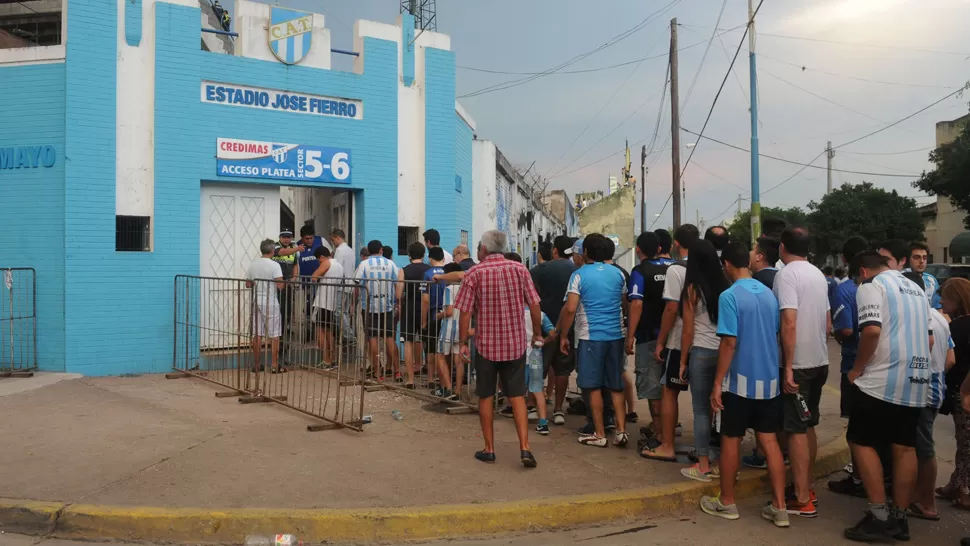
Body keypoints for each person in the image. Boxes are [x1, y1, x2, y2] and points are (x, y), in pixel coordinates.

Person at [843, 251, 932, 542]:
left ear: (863, 271)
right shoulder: (916, 288)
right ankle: (899, 518)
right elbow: (929, 337)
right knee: (905, 447)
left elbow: (870, 331)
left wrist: (857, 369)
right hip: (916, 380)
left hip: (882, 380)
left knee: (861, 440)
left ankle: (879, 515)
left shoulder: (872, 286)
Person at [699, 242, 789, 527]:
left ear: (726, 265)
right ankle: (780, 506)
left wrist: (716, 383)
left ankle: (727, 502)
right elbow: (775, 334)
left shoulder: (729, 296)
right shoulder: (769, 294)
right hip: (769, 382)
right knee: (769, 441)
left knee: (731, 440)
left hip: (738, 384)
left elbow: (729, 342)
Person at [455, 230, 542, 468]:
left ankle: (489, 449)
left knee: (486, 395)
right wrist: (537, 333)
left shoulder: (474, 273)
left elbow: (464, 312)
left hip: (486, 346)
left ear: (483, 249)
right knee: (517, 396)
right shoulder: (520, 270)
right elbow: (534, 304)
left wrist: (463, 341)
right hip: (515, 345)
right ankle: (525, 447)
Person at [774, 227, 830, 517]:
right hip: (820, 361)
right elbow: (828, 322)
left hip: (800, 364)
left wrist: (787, 368)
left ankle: (801, 498)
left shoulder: (786, 274)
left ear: (783, 247)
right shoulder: (818, 274)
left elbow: (789, 322)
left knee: (795, 429)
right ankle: (806, 487)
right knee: (808, 426)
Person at [557, 234, 628, 448]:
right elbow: (624, 304)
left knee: (593, 385)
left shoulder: (579, 275)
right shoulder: (618, 274)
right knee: (615, 384)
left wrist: (563, 336)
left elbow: (570, 308)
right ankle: (621, 431)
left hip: (590, 336)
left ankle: (599, 433)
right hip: (616, 335)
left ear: (586, 252)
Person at [641, 224, 700, 462]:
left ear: (676, 244)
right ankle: (704, 449)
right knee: (704, 397)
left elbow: (672, 308)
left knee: (669, 391)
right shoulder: (713, 266)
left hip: (680, 340)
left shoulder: (677, 270)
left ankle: (667, 445)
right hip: (710, 340)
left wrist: (660, 341)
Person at [679, 240, 730, 482]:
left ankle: (702, 465)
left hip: (700, 351)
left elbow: (687, 330)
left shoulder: (692, 289)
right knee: (723, 408)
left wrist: (682, 360)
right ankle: (724, 462)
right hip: (724, 352)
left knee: (701, 411)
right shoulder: (726, 286)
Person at [906, 271, 954, 521]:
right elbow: (951, 358)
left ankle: (927, 503)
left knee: (923, 448)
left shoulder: (920, 318)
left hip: (921, 390)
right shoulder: (940, 318)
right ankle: (917, 496)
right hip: (935, 387)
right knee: (919, 446)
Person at [827, 236, 871, 498]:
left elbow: (844, 328)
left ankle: (858, 478)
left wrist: (840, 336)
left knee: (855, 428)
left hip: (854, 364)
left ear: (845, 260)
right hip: (878, 366)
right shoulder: (880, 286)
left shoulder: (845, 289)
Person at [626, 232, 674, 441]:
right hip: (674, 336)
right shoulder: (674, 268)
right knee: (668, 388)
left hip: (649, 336)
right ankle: (668, 428)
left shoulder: (639, 272)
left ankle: (659, 432)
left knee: (652, 386)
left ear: (638, 249)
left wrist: (630, 336)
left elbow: (636, 304)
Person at [531, 235, 577, 425]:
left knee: (537, 368)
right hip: (569, 326)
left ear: (555, 251)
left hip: (544, 326)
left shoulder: (541, 270)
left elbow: (531, 293)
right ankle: (558, 410)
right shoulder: (577, 270)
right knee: (562, 369)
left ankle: (535, 407)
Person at [938, 278, 970, 512]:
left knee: (966, 441)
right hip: (962, 389)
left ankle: (966, 490)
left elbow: (950, 360)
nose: (941, 300)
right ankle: (956, 482)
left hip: (964, 391)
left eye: (946, 297)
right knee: (962, 440)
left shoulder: (958, 327)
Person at [355, 240, 404, 382]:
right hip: (387, 307)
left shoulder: (363, 264)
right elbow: (398, 282)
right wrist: (397, 301)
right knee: (389, 338)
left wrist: (354, 303)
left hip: (369, 307)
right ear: (381, 250)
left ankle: (378, 373)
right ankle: (397, 371)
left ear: (369, 251)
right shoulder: (390, 264)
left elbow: (356, 284)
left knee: (373, 339)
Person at [246, 239, 285, 373]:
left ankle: (257, 365)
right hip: (270, 301)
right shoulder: (274, 265)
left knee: (257, 333)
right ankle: (274, 365)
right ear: (273, 250)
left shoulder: (253, 264)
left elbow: (248, 284)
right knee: (274, 334)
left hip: (257, 300)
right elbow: (280, 285)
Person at [400, 242, 431, 388]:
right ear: (424, 254)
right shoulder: (430, 270)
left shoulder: (404, 271)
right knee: (428, 341)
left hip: (410, 307)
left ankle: (410, 380)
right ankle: (431, 379)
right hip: (427, 308)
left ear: (409, 255)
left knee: (408, 342)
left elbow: (398, 293)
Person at [310, 246, 345, 368]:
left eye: (318, 259)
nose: (319, 262)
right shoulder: (339, 266)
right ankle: (333, 359)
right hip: (332, 302)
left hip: (322, 301)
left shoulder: (326, 263)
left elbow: (314, 277)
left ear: (322, 257)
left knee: (320, 331)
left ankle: (326, 360)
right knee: (329, 332)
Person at [272, 229, 303, 359]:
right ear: (280, 237)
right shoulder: (275, 246)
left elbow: (295, 264)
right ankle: (275, 342)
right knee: (275, 314)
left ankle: (283, 343)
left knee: (286, 314)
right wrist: (297, 249)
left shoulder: (293, 250)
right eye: (284, 237)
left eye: (289, 237)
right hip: (275, 286)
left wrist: (294, 277)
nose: (286, 239)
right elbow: (282, 252)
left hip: (287, 286)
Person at [436, 262, 465, 401]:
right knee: (458, 360)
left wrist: (439, 315)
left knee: (440, 357)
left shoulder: (449, 289)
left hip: (448, 328)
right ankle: (458, 391)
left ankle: (448, 387)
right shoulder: (465, 288)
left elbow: (449, 311)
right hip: (462, 327)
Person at [422, 247, 447, 392]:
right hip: (445, 314)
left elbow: (425, 300)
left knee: (431, 348)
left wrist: (424, 321)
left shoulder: (427, 274)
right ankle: (442, 378)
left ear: (430, 258)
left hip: (433, 314)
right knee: (443, 349)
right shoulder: (448, 273)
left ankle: (431, 378)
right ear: (443, 258)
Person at [330, 229, 357, 347]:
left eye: (333, 239)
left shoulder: (340, 251)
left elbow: (337, 267)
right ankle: (346, 336)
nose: (333, 242)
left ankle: (349, 336)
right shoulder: (350, 250)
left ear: (337, 238)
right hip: (349, 283)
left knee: (338, 312)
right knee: (343, 312)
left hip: (341, 284)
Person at [908, 242, 941, 309]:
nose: (922, 261)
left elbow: (938, 307)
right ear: (907, 259)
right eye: (917, 257)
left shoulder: (931, 280)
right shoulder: (899, 278)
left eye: (924, 258)